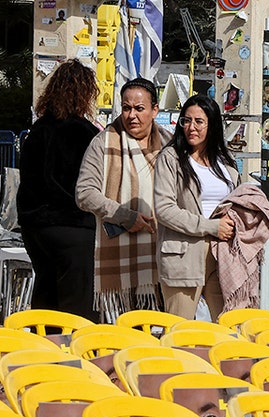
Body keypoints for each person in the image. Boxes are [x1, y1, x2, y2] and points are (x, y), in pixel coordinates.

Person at [77, 77, 171, 321]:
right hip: (117, 255)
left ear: (154, 111)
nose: (132, 115)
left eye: (139, 109)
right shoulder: (102, 143)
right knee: (119, 334)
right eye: (126, 108)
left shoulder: (171, 145)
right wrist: (124, 217)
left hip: (162, 254)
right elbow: (85, 193)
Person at [17, 59, 101, 321]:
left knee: (45, 293)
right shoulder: (85, 133)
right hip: (72, 224)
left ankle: (42, 350)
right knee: (76, 302)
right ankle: (71, 356)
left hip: (34, 224)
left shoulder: (37, 130)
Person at [153, 95, 238, 319]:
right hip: (183, 254)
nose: (192, 127)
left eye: (199, 121)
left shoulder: (226, 160)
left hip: (222, 255)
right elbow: (164, 209)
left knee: (228, 327)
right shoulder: (170, 158)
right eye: (186, 121)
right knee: (180, 331)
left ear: (212, 125)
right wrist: (210, 226)